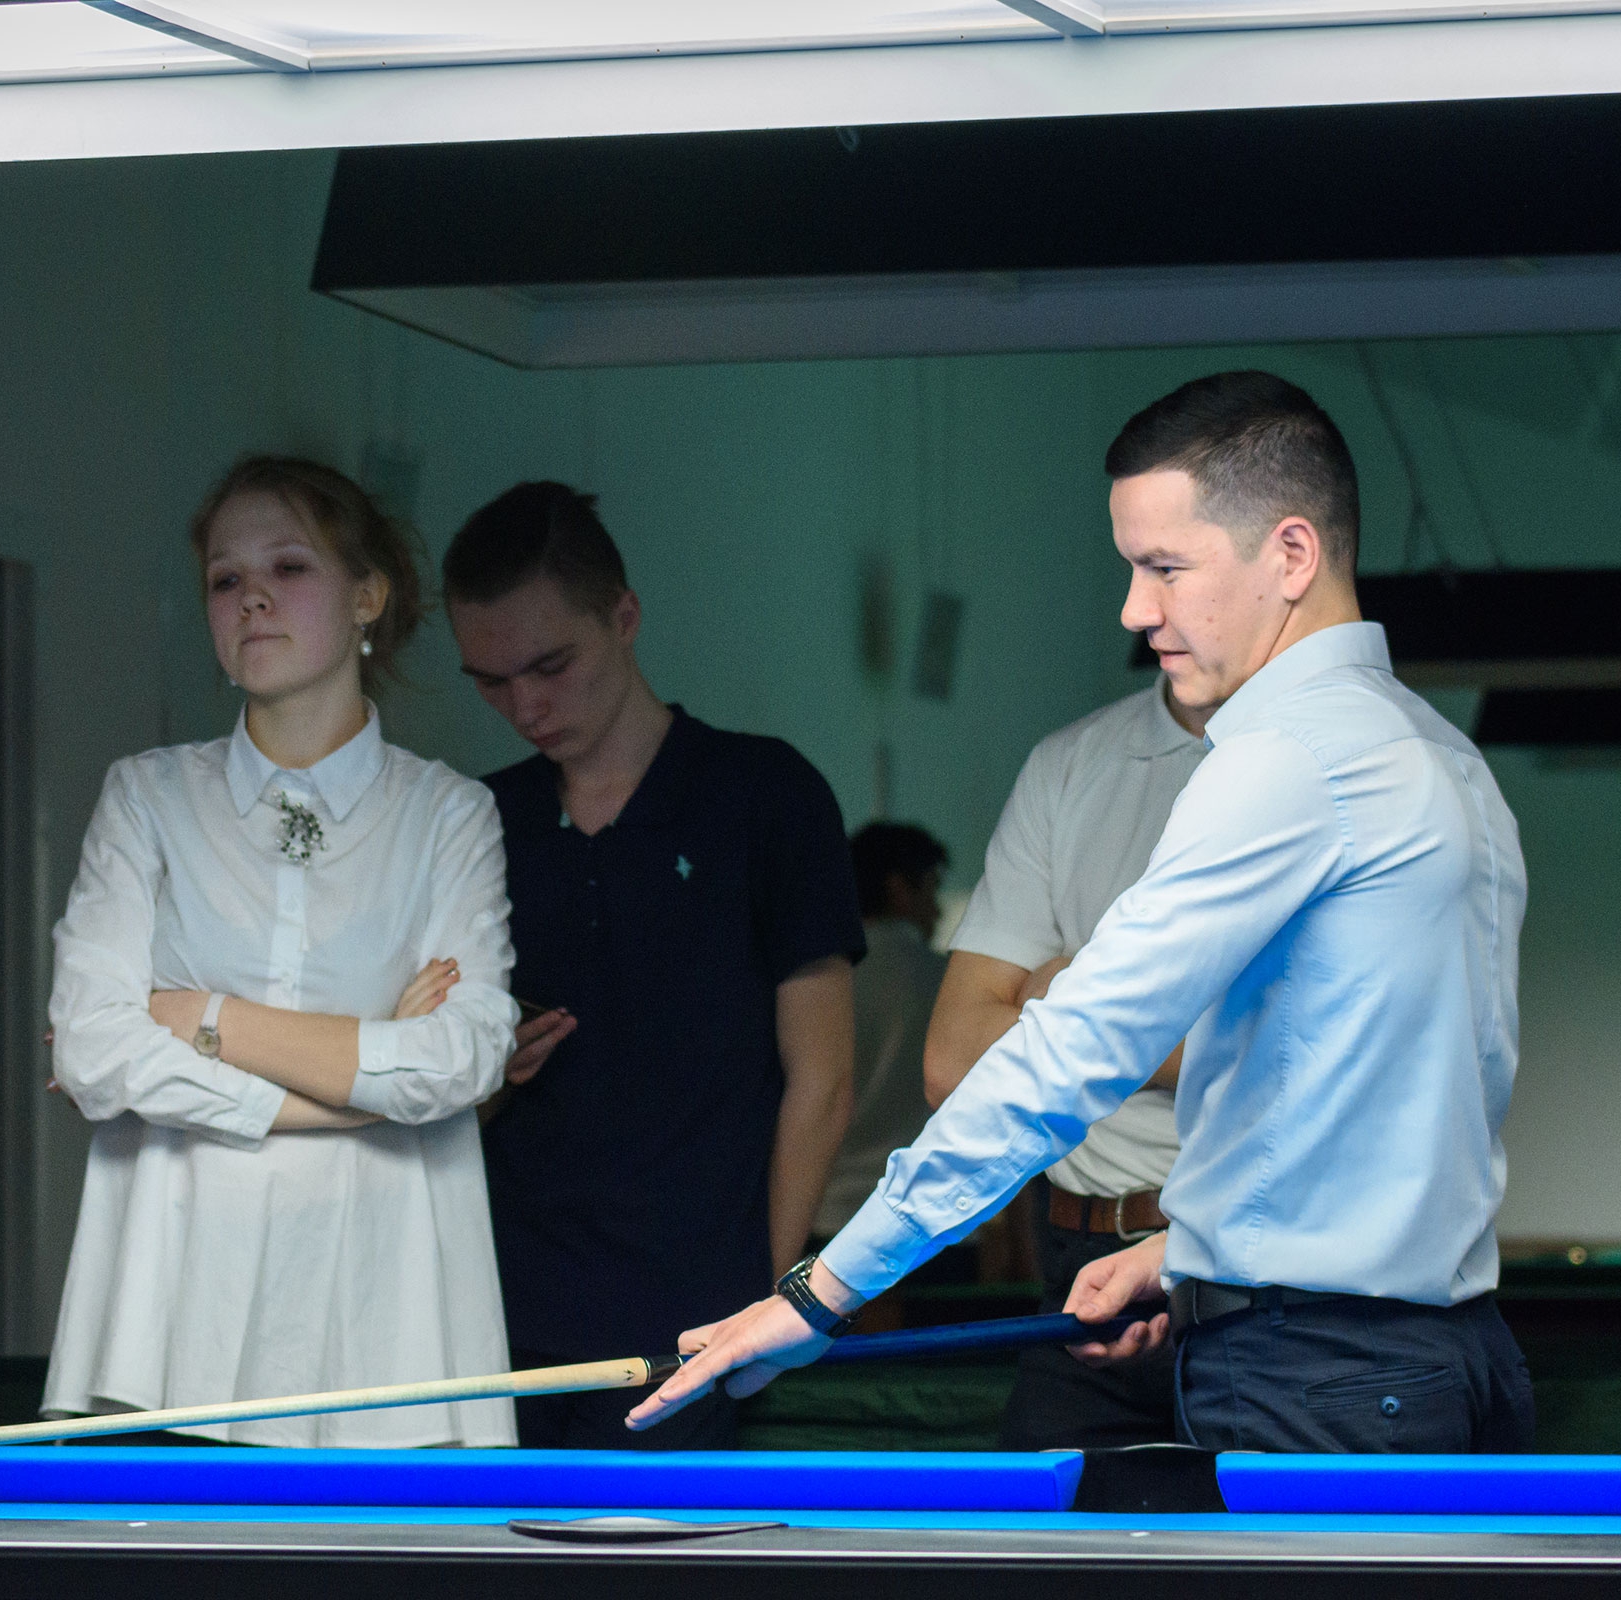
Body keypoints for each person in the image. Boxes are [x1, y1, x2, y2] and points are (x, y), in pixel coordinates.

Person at [631, 371, 1534, 1455]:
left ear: (1291, 555)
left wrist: (821, 1292)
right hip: (1441, 1352)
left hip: (1319, 1372)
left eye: (1165, 567)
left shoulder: (1285, 760)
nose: (1135, 610)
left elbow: (1072, 1052)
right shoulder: (1442, 753)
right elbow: (1382, 1097)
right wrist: (1184, 1254)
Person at [41, 456, 519, 1447]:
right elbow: (92, 1049)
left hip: (392, 1303)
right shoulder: (146, 796)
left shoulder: (449, 814)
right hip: (172, 1297)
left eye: (289, 566)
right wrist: (356, 1093)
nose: (251, 597)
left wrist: (206, 1020)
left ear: (368, 596)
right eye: (226, 578)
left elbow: (464, 1056)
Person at [445, 480, 864, 1449]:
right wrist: (482, 1068)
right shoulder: (477, 818)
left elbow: (824, 1077)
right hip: (499, 1309)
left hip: (698, 1313)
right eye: (490, 681)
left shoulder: (764, 795)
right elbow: (430, 1088)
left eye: (551, 665)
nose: (526, 705)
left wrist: (770, 1294)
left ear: (624, 617)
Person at [922, 654, 1209, 1448]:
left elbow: (1304, 1057)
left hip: (1251, 1253)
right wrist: (1177, 1024)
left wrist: (1059, 996)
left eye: (1168, 581)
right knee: (1027, 1526)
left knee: (1270, 1533)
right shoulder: (1071, 763)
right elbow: (951, 1059)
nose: (1139, 610)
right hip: (1078, 1261)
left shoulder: (1320, 759)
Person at [818, 824, 948, 1240]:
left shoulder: (817, 984)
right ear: (899, 889)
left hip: (830, 1214)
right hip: (935, 1221)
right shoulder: (946, 982)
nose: (938, 910)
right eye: (932, 888)